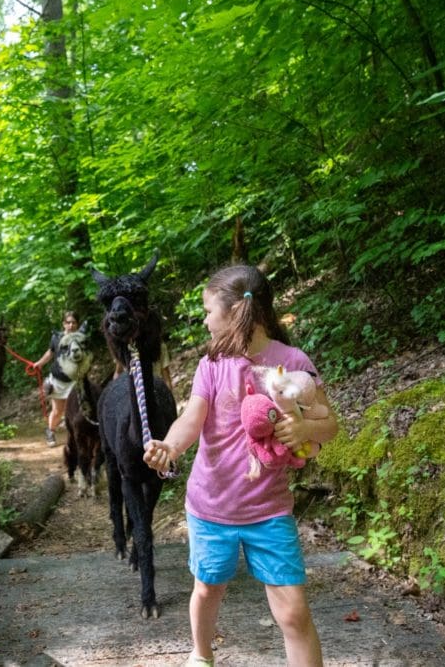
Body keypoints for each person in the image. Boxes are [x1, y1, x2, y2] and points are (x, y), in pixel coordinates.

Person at [143, 264, 338, 667]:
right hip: (211, 508)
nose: (204, 320)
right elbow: (191, 420)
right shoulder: (211, 364)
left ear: (235, 313)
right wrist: (170, 447)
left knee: (294, 612)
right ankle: (201, 654)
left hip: (268, 512)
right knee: (207, 589)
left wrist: (303, 427)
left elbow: (330, 425)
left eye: (208, 311)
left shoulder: (292, 362)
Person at [30, 310, 81, 447]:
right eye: (68, 322)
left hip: (74, 381)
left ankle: (74, 437)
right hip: (58, 380)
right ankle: (51, 432)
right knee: (58, 411)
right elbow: (50, 352)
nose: (70, 325)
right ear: (63, 324)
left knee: (74, 411)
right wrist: (39, 364)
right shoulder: (56, 338)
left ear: (77, 324)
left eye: (73, 322)